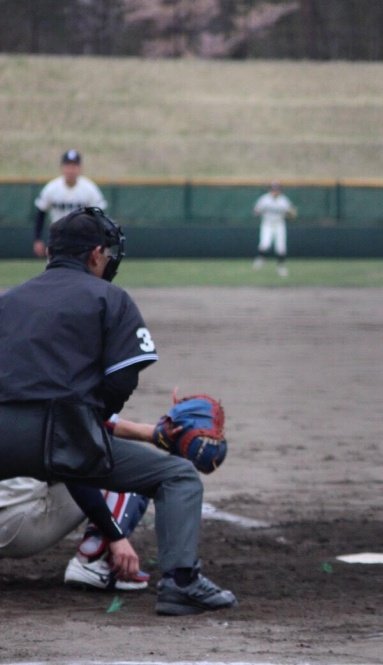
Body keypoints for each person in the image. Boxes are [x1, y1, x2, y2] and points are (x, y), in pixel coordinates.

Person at [0, 207, 237, 616]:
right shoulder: (110, 298)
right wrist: (93, 419)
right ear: (95, 255)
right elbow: (124, 376)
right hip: (62, 440)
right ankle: (180, 584)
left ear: (50, 254)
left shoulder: (8, 300)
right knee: (176, 477)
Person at [0, 416, 181, 592]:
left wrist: (152, 433)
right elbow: (74, 463)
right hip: (15, 527)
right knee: (134, 468)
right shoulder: (47, 393)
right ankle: (93, 560)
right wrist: (116, 536)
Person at [32, 150, 107, 258]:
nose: (71, 170)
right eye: (68, 166)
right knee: (56, 272)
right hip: (58, 240)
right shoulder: (52, 188)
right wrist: (37, 239)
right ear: (62, 167)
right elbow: (41, 213)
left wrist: (100, 241)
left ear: (80, 168)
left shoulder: (89, 189)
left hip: (83, 241)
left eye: (74, 166)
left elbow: (100, 217)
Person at [252, 181, 297, 277]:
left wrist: (291, 214)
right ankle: (261, 259)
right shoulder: (264, 199)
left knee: (281, 247)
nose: (275, 191)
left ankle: (281, 267)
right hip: (267, 224)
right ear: (270, 190)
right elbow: (255, 211)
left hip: (279, 224)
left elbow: (292, 212)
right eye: (273, 189)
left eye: (277, 189)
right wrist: (257, 212)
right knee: (265, 244)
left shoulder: (283, 200)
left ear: (279, 190)